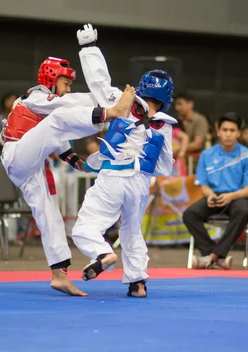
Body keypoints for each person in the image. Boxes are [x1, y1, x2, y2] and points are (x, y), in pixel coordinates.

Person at [0, 23, 135, 296]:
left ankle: (59, 275)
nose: (67, 87)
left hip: (33, 164)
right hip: (17, 155)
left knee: (50, 216)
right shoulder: (36, 97)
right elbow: (62, 112)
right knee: (61, 118)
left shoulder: (47, 110)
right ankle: (110, 110)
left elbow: (57, 137)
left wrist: (77, 161)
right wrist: (109, 108)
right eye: (65, 82)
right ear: (50, 79)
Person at [72, 70, 175, 298]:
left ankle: (101, 253)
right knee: (132, 230)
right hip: (139, 184)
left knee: (84, 227)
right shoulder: (165, 126)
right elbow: (166, 167)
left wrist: (89, 48)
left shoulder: (124, 104)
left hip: (112, 178)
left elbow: (99, 83)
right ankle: (137, 283)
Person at [183, 112, 248, 270]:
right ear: (218, 131)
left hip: (237, 196)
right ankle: (216, 256)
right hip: (214, 196)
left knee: (244, 211)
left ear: (238, 133)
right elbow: (203, 186)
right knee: (190, 214)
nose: (228, 134)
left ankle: (213, 256)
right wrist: (209, 195)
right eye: (225, 130)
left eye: (232, 130)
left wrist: (231, 196)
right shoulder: (207, 154)